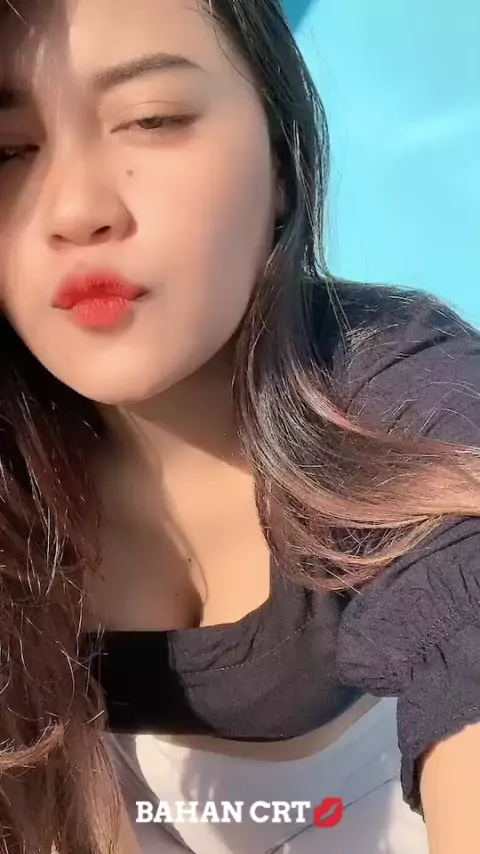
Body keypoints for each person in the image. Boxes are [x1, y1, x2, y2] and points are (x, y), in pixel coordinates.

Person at [0, 0, 479, 852]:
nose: (77, 209)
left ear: (280, 157)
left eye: (153, 119)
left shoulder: (404, 397)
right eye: (6, 150)